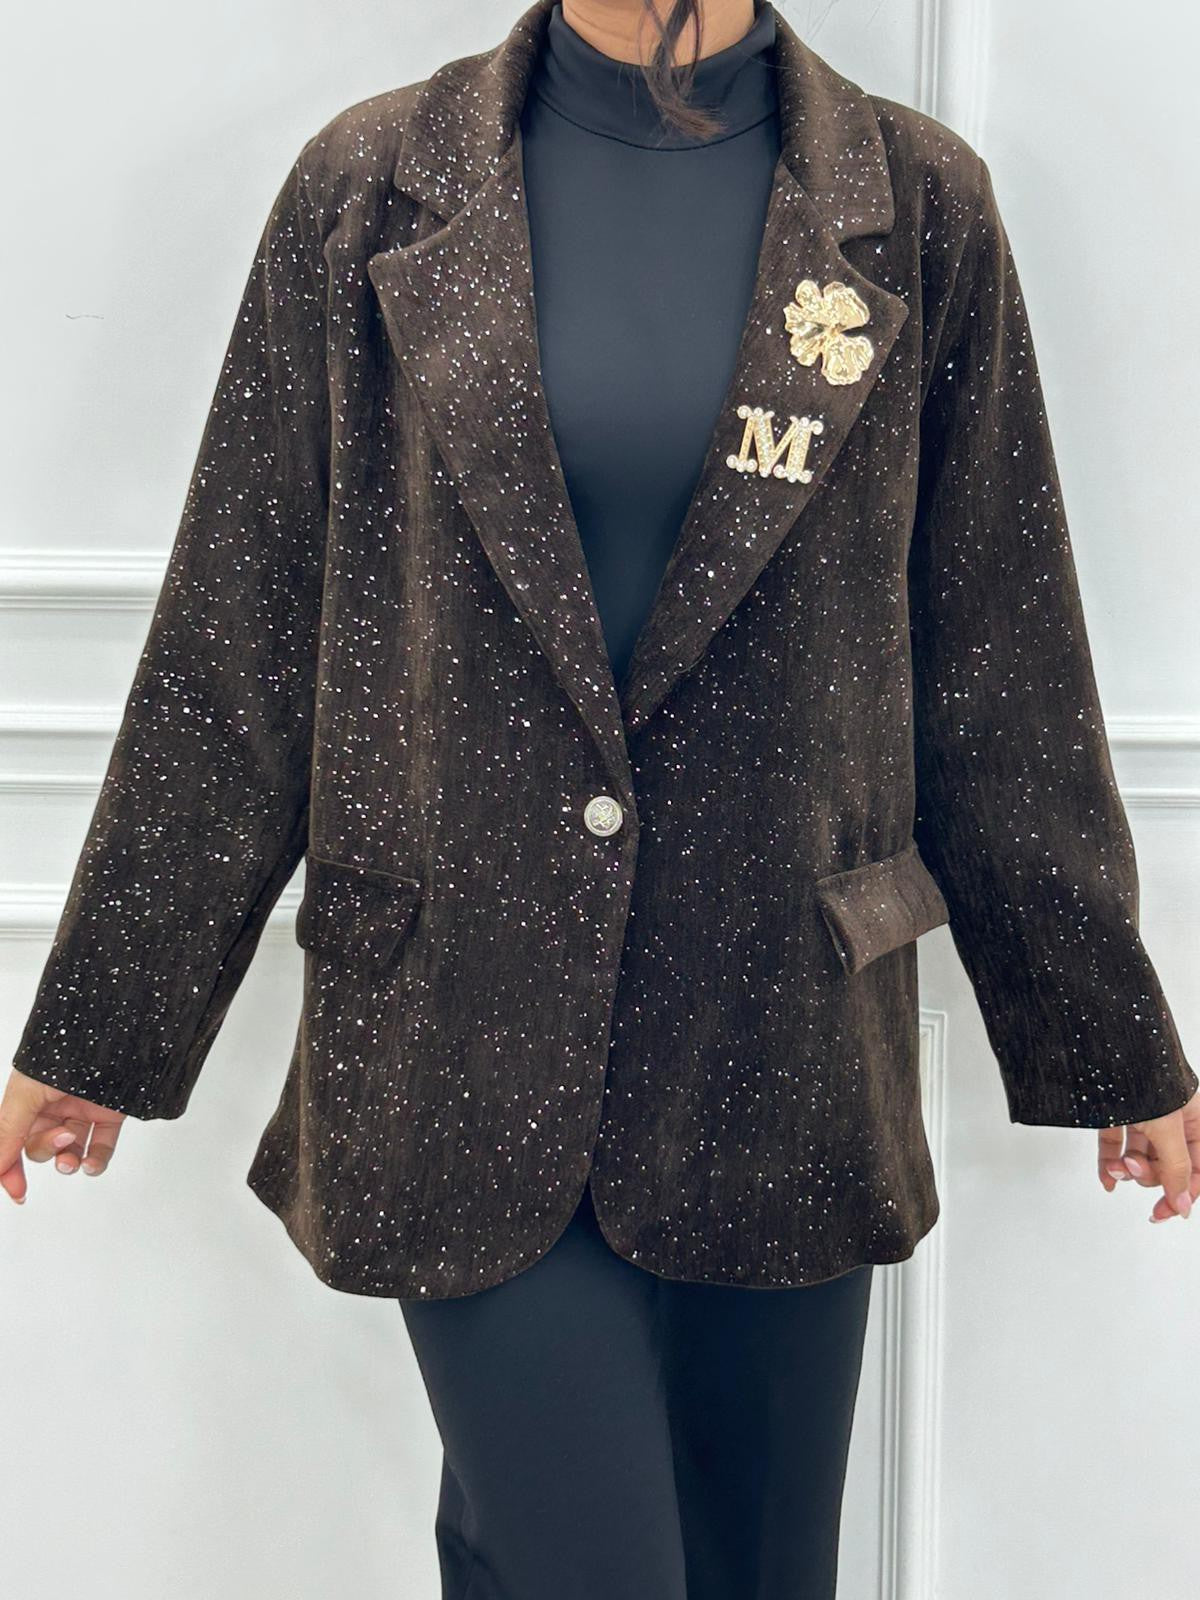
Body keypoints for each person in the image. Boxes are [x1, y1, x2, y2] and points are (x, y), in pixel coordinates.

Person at [5, 3, 1196, 1597]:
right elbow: (244, 634)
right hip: (460, 1040)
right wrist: (102, 1029)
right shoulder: (370, 187)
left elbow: (998, 655)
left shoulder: (916, 207)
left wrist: (1104, 1032)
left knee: (754, 1574)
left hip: (780, 1043)